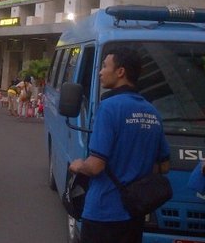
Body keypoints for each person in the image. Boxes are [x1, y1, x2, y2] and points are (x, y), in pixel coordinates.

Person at [68, 47, 170, 243]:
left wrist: (78, 165)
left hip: (103, 212)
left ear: (120, 72)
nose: (100, 72)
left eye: (105, 66)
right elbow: (164, 166)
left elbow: (96, 166)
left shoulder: (109, 108)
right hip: (135, 212)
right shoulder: (152, 111)